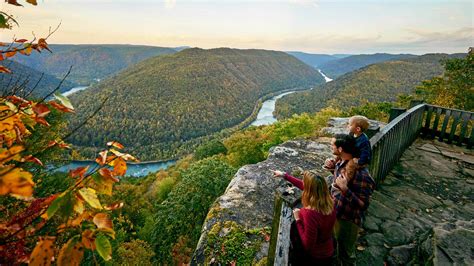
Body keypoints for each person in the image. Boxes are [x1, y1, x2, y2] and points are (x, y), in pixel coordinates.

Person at [328, 134, 375, 266]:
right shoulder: (340, 162)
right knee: (337, 246)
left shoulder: (362, 174)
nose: (330, 146)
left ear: (341, 149)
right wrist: (331, 168)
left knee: (347, 254)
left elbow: (363, 205)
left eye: (332, 144)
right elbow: (339, 181)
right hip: (337, 212)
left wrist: (345, 190)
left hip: (349, 220)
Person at [273, 170, 336, 265]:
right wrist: (284, 175)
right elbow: (306, 187)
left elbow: (308, 245)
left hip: (316, 257)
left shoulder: (310, 213)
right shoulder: (330, 202)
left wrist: (298, 219)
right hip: (328, 250)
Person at [324, 115, 372, 181]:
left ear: (358, 129)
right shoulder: (352, 134)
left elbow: (365, 154)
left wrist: (359, 161)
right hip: (353, 155)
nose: (348, 126)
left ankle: (345, 180)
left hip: (359, 160)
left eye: (350, 125)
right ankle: (333, 165)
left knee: (350, 166)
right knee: (338, 157)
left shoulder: (364, 141)